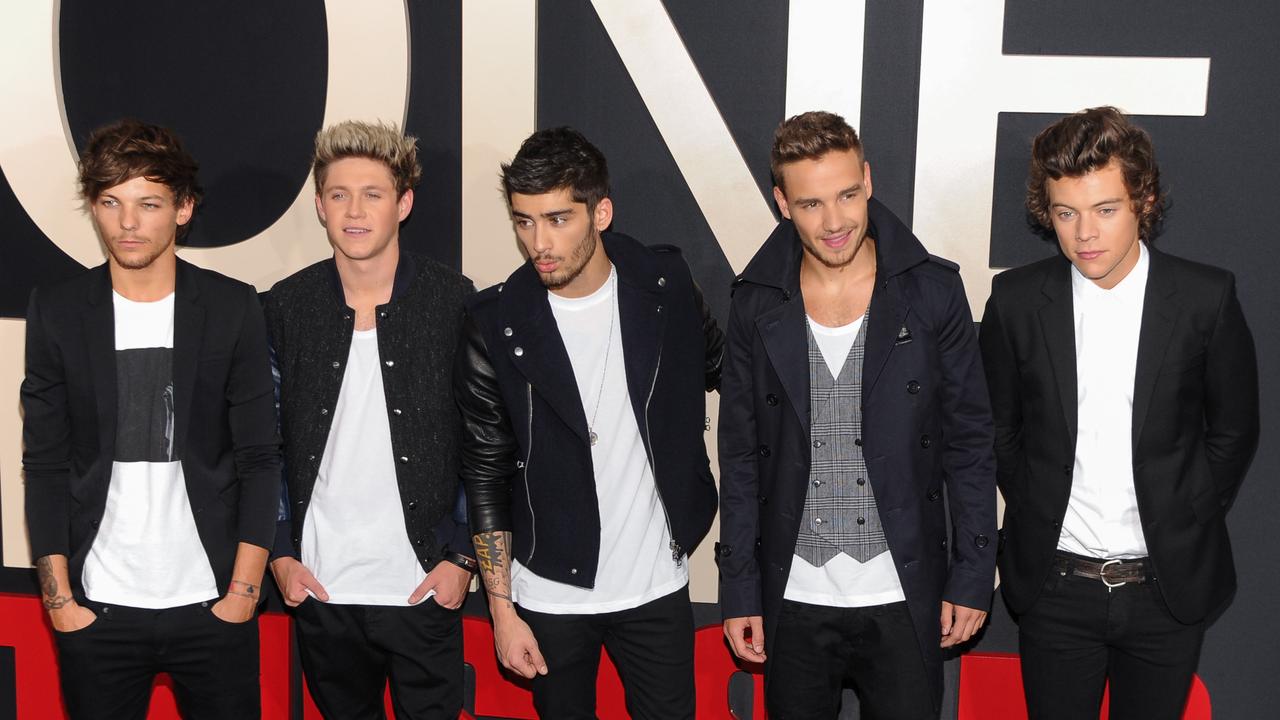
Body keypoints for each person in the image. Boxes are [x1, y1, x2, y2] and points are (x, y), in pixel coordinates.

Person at [979, 106, 1259, 719]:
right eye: (1065, 212)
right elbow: (997, 427)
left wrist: (1185, 512)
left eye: (1105, 210)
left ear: (1144, 201)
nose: (1085, 234)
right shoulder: (1017, 301)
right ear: (1045, 211)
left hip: (1166, 589)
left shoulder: (1205, 298)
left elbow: (1234, 429)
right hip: (1054, 588)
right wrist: (1032, 499)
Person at [718, 111, 997, 719]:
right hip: (793, 590)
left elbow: (970, 443)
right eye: (812, 203)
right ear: (782, 203)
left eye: (847, 194)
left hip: (903, 586)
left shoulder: (932, 293)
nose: (835, 221)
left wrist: (973, 572)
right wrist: (739, 585)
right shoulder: (754, 303)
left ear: (868, 179)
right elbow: (739, 455)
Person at [455, 126, 724, 719]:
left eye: (557, 219)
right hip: (549, 587)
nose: (538, 242)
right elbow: (485, 472)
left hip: (655, 581)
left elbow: (718, 368)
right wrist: (502, 610)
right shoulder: (494, 324)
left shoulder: (666, 285)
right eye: (524, 221)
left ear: (600, 212)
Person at [21, 119, 280, 719]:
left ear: (183, 209)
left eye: (148, 203)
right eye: (110, 202)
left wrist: (242, 592)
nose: (128, 223)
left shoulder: (230, 306)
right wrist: (60, 601)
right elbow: (46, 463)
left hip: (212, 601)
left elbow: (260, 459)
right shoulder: (58, 311)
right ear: (94, 207)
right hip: (98, 606)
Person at [265, 120, 476, 719]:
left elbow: (485, 442)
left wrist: (461, 557)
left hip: (421, 585)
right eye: (339, 195)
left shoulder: (454, 301)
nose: (354, 211)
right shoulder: (285, 306)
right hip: (321, 587)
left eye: (373, 194)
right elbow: (266, 443)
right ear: (319, 205)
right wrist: (281, 551)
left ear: (403, 203)